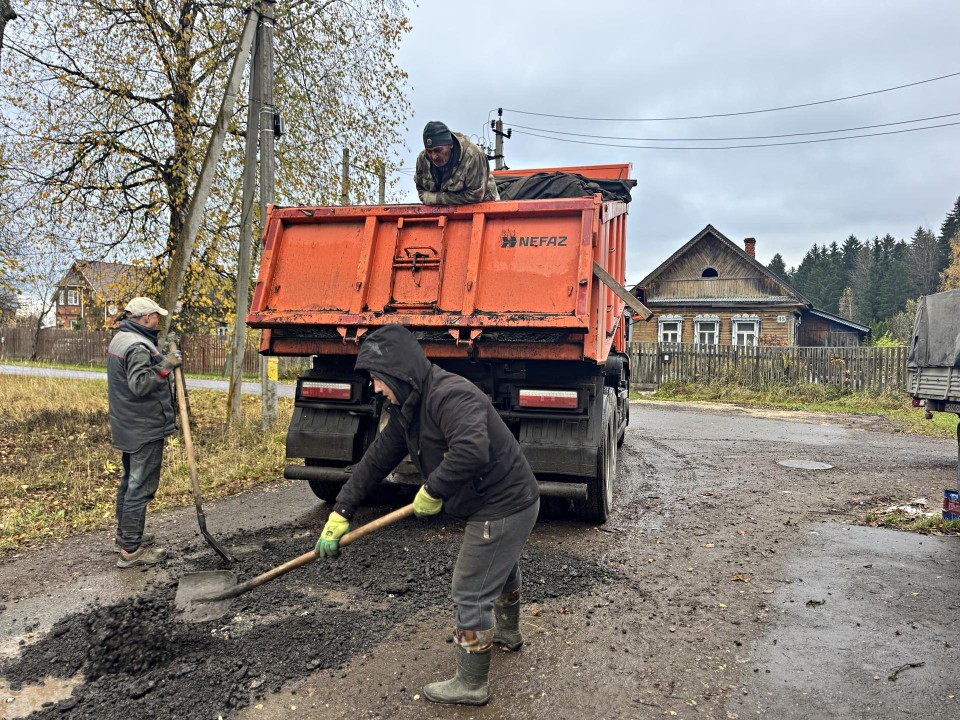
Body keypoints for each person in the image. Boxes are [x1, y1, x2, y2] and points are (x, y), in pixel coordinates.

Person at [315, 324, 540, 706]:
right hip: (502, 501)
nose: (374, 387)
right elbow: (375, 461)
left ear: (396, 373)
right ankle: (507, 632)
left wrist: (433, 490)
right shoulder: (408, 407)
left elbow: (472, 449)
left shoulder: (450, 395)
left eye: (375, 378)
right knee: (499, 568)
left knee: (470, 590)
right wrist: (342, 510)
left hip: (504, 503)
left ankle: (471, 683)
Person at [106, 297, 181, 568]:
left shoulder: (122, 338)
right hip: (143, 426)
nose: (158, 321)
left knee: (129, 481)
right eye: (156, 316)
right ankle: (131, 551)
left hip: (127, 424)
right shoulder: (137, 346)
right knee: (140, 487)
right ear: (146, 317)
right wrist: (166, 365)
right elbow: (139, 384)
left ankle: (125, 537)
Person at [414, 120, 500, 205]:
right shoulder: (422, 160)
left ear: (450, 145)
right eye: (429, 151)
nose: (433, 156)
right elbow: (421, 190)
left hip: (485, 210)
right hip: (443, 213)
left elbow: (475, 195)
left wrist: (438, 198)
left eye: (438, 150)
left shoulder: (473, 156)